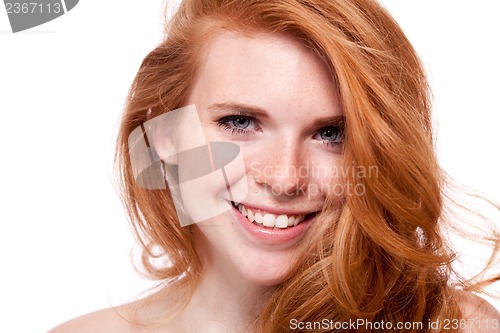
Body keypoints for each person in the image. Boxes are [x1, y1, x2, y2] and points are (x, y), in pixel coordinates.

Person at [49, 0, 500, 332]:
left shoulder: (454, 326)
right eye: (240, 122)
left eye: (332, 134)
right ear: (163, 137)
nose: (285, 178)